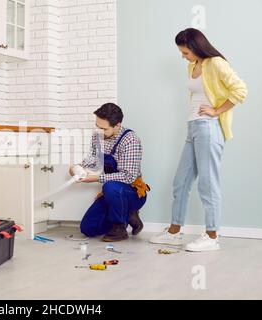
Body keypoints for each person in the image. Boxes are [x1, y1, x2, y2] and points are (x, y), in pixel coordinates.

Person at [150, 28, 248, 251]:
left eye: (185, 52)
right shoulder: (191, 66)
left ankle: (212, 235)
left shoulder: (216, 63)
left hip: (209, 128)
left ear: (195, 47)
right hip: (192, 126)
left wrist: (216, 111)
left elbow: (241, 90)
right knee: (181, 181)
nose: (183, 56)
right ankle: (174, 232)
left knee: (207, 181)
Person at [70, 103, 150, 242]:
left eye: (103, 128)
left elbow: (128, 176)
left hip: (131, 192)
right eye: (97, 126)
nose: (99, 131)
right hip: (111, 193)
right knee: (88, 228)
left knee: (110, 186)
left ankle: (120, 227)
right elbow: (94, 159)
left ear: (117, 125)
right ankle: (126, 215)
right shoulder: (98, 136)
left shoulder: (130, 140)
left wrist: (96, 178)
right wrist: (77, 167)